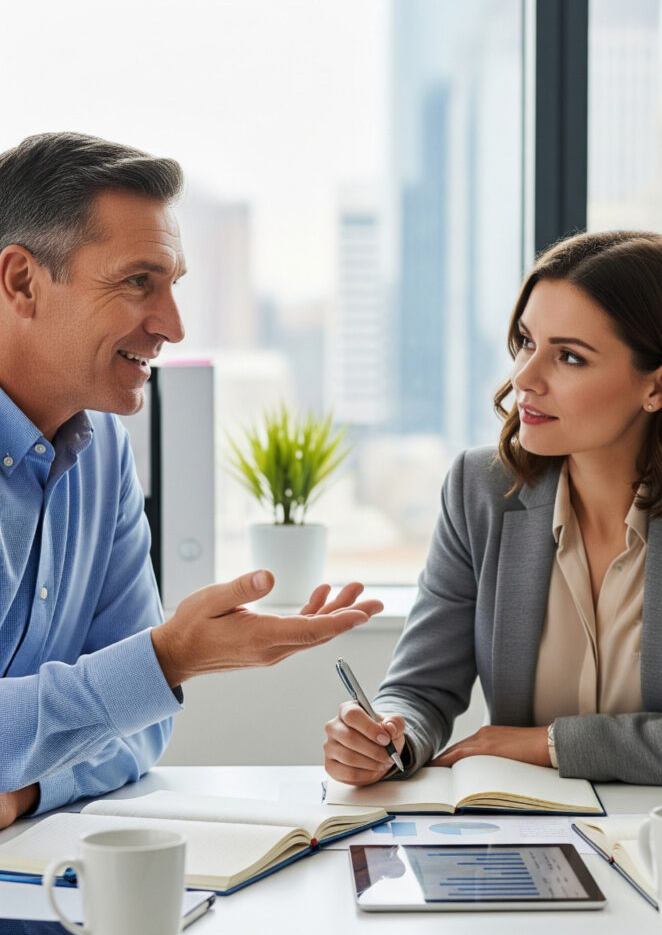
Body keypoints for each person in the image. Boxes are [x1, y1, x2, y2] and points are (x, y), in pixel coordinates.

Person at [324, 230, 662, 788]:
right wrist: (388, 738)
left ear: (660, 385)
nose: (524, 379)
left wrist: (549, 744)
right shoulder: (478, 489)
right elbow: (420, 690)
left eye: (570, 357)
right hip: (516, 832)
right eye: (527, 342)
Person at [0, 132, 382, 830]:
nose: (172, 326)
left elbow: (141, 731)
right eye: (138, 282)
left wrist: (27, 793)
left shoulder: (105, 452)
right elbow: (135, 690)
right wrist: (164, 658)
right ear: (22, 281)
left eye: (174, 286)